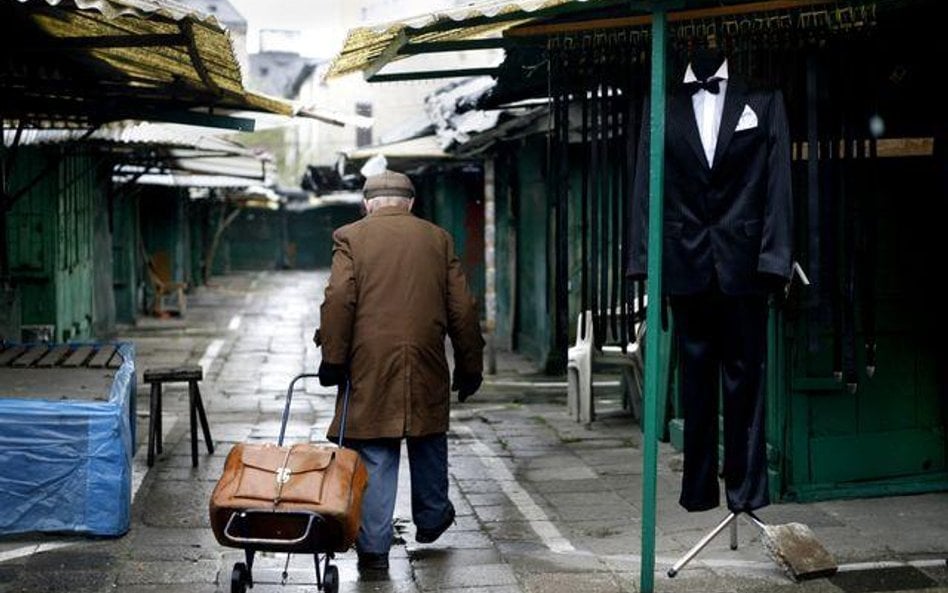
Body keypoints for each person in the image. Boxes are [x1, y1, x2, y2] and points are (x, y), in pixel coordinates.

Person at [628, 49, 793, 514]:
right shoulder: (659, 103)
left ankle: (745, 492)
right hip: (685, 262)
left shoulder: (762, 98)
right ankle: (698, 489)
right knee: (695, 383)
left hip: (746, 264)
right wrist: (644, 262)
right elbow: (646, 183)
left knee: (746, 381)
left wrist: (775, 257)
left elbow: (778, 181)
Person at [317, 170, 485, 572]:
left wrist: (333, 358)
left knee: (374, 448)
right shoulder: (437, 238)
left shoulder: (350, 237)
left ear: (366, 203)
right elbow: (462, 308)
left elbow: (339, 299)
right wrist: (469, 365)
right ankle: (431, 519)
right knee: (427, 434)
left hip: (369, 363)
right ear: (410, 203)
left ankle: (374, 548)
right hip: (426, 357)